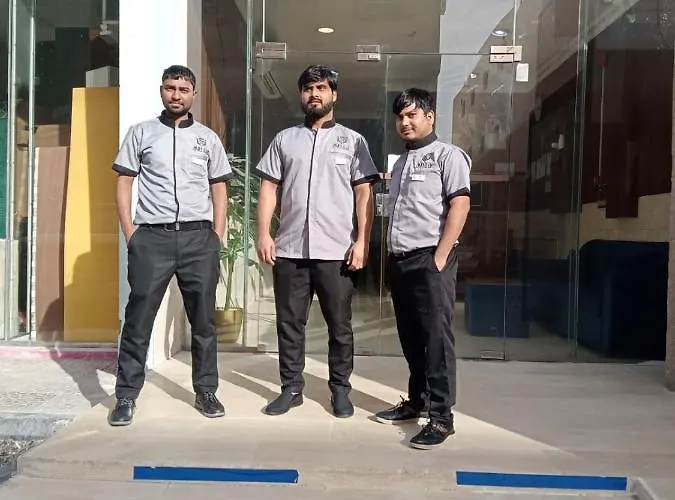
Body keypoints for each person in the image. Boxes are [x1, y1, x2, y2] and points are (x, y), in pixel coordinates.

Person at [108, 65, 232, 426]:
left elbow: (219, 187)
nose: (176, 95)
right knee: (138, 319)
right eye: (169, 88)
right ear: (162, 91)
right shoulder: (141, 133)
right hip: (152, 239)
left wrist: (217, 234)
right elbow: (124, 182)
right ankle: (126, 396)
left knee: (204, 321)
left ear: (193, 94)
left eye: (182, 89)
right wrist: (131, 233)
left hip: (198, 240)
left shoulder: (207, 138)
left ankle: (206, 391)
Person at [255, 65, 380, 418]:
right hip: (290, 250)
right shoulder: (284, 140)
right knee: (289, 325)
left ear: (334, 94)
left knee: (339, 327)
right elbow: (269, 188)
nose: (315, 94)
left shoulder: (353, 141)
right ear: (301, 95)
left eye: (322, 88)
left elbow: (363, 194)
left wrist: (362, 241)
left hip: (336, 251)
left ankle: (340, 390)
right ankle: (291, 388)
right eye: (308, 88)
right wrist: (263, 233)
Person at [374, 88, 471, 450]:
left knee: (436, 340)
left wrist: (440, 257)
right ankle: (418, 401)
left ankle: (442, 417)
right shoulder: (402, 163)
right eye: (400, 117)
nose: (405, 122)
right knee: (411, 337)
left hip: (430, 259)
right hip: (401, 261)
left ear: (430, 117)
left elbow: (460, 205)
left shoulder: (449, 156)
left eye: (412, 115)